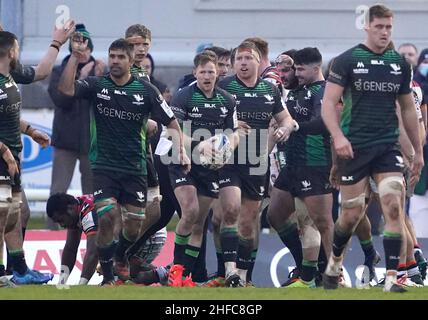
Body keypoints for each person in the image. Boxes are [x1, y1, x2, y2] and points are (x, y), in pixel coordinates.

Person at [58, 35, 187, 285]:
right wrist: (74, 56)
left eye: (120, 57)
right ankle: (107, 278)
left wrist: (180, 150)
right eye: (112, 56)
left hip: (135, 169)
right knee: (106, 218)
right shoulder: (98, 85)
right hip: (104, 167)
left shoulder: (146, 91)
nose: (115, 61)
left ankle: (119, 254)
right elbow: (66, 90)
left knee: (134, 227)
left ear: (130, 61)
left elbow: (171, 121)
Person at [321, 4, 423, 293]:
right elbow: (328, 105)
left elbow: (407, 110)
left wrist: (417, 152)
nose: (384, 31)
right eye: (379, 26)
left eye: (389, 27)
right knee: (351, 215)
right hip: (354, 149)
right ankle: (334, 263)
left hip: (387, 147)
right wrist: (338, 137)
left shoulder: (400, 65)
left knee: (393, 205)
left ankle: (392, 278)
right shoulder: (347, 60)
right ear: (367, 26)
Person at [217, 41, 295, 287]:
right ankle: (228, 271)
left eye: (248, 58)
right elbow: (207, 118)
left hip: (256, 161)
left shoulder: (269, 90)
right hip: (229, 160)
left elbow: (286, 119)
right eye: (239, 58)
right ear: (233, 63)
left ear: (259, 61)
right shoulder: (224, 86)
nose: (243, 62)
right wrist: (228, 129)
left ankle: (242, 275)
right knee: (230, 209)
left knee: (249, 221)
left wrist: (283, 129)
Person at [166, 50, 238, 287]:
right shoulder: (183, 97)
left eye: (211, 71)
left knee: (199, 222)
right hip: (182, 161)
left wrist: (225, 150)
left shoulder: (227, 100)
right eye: (203, 71)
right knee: (189, 210)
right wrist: (201, 145)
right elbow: (174, 133)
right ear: (195, 72)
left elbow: (232, 134)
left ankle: (184, 275)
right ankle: (175, 272)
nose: (207, 76)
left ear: (218, 73)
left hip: (210, 167)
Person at [267, 47, 334, 288]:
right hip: (291, 164)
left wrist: (293, 126)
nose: (296, 73)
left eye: (299, 68)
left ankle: (333, 276)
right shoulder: (297, 92)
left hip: (314, 163)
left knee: (322, 223)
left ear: (316, 68)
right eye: (294, 68)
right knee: (274, 215)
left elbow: (323, 123)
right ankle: (307, 270)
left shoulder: (324, 91)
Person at [0, 31, 63, 285]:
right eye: (18, 48)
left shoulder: (10, 77)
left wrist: (31, 131)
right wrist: (4, 152)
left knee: (15, 214)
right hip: (3, 155)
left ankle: (20, 271)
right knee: (3, 214)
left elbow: (9, 117)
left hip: (13, 154)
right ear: (12, 52)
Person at [48, 23, 106, 230]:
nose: (83, 53)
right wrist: (80, 78)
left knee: (92, 191)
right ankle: (52, 229)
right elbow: (61, 99)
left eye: (87, 48)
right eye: (78, 48)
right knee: (58, 189)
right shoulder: (58, 71)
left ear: (91, 50)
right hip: (66, 141)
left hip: (91, 142)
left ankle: (93, 230)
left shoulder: (102, 72)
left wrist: (96, 78)